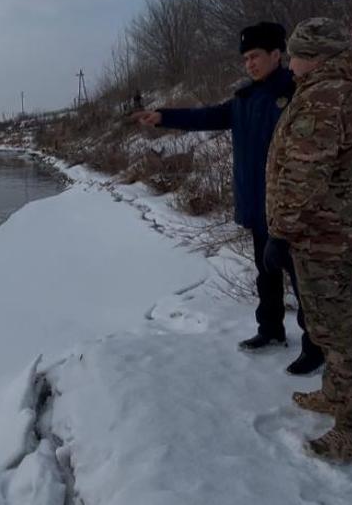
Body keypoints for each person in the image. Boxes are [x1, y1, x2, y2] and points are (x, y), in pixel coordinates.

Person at [133, 22, 324, 376]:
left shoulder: (298, 93)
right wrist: (163, 117)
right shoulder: (244, 99)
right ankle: (270, 331)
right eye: (245, 58)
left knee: (302, 278)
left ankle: (316, 345)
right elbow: (206, 116)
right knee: (265, 272)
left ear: (276, 55)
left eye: (255, 56)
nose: (249, 63)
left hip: (291, 207)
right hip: (256, 204)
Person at [265, 17, 352, 463]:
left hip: (326, 234)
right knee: (329, 321)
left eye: (294, 55)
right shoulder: (342, 91)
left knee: (340, 331)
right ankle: (337, 393)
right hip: (338, 229)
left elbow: (302, 177)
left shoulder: (326, 98)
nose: (290, 63)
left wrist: (280, 232)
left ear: (314, 57)